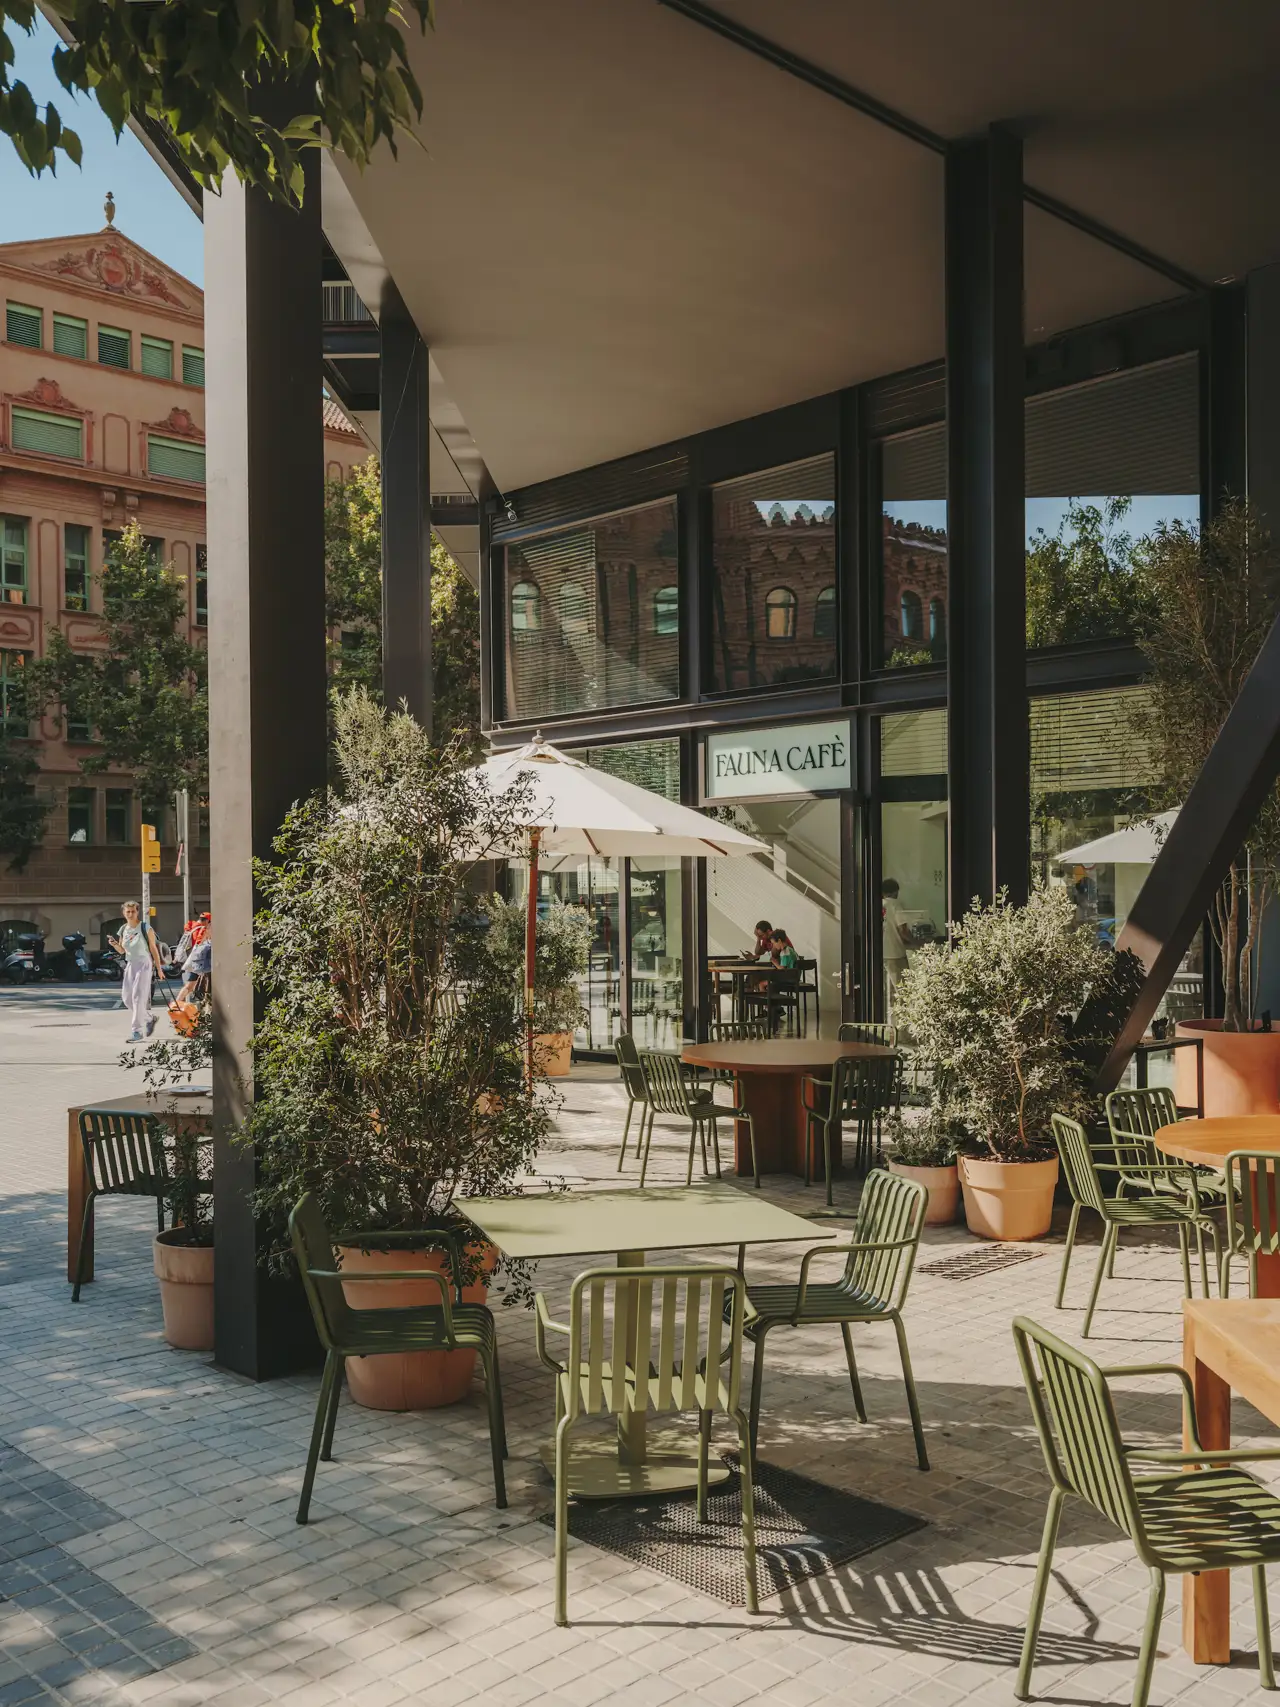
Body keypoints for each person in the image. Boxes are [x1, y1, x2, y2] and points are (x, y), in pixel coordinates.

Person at [109, 900, 164, 1042]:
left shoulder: (145, 928)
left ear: (137, 912)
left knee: (138, 997)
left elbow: (153, 949)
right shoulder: (123, 929)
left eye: (133, 911)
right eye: (128, 911)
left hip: (144, 963)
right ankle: (149, 1018)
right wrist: (115, 944)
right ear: (123, 913)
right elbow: (122, 950)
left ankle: (137, 1031)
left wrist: (159, 969)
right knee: (127, 999)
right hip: (131, 964)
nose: (130, 914)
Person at [882, 878, 912, 1015]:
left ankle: (891, 1019)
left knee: (890, 991)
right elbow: (903, 931)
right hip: (895, 953)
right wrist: (917, 942)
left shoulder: (879, 905)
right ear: (895, 892)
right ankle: (904, 1020)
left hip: (882, 953)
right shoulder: (895, 905)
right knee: (903, 990)